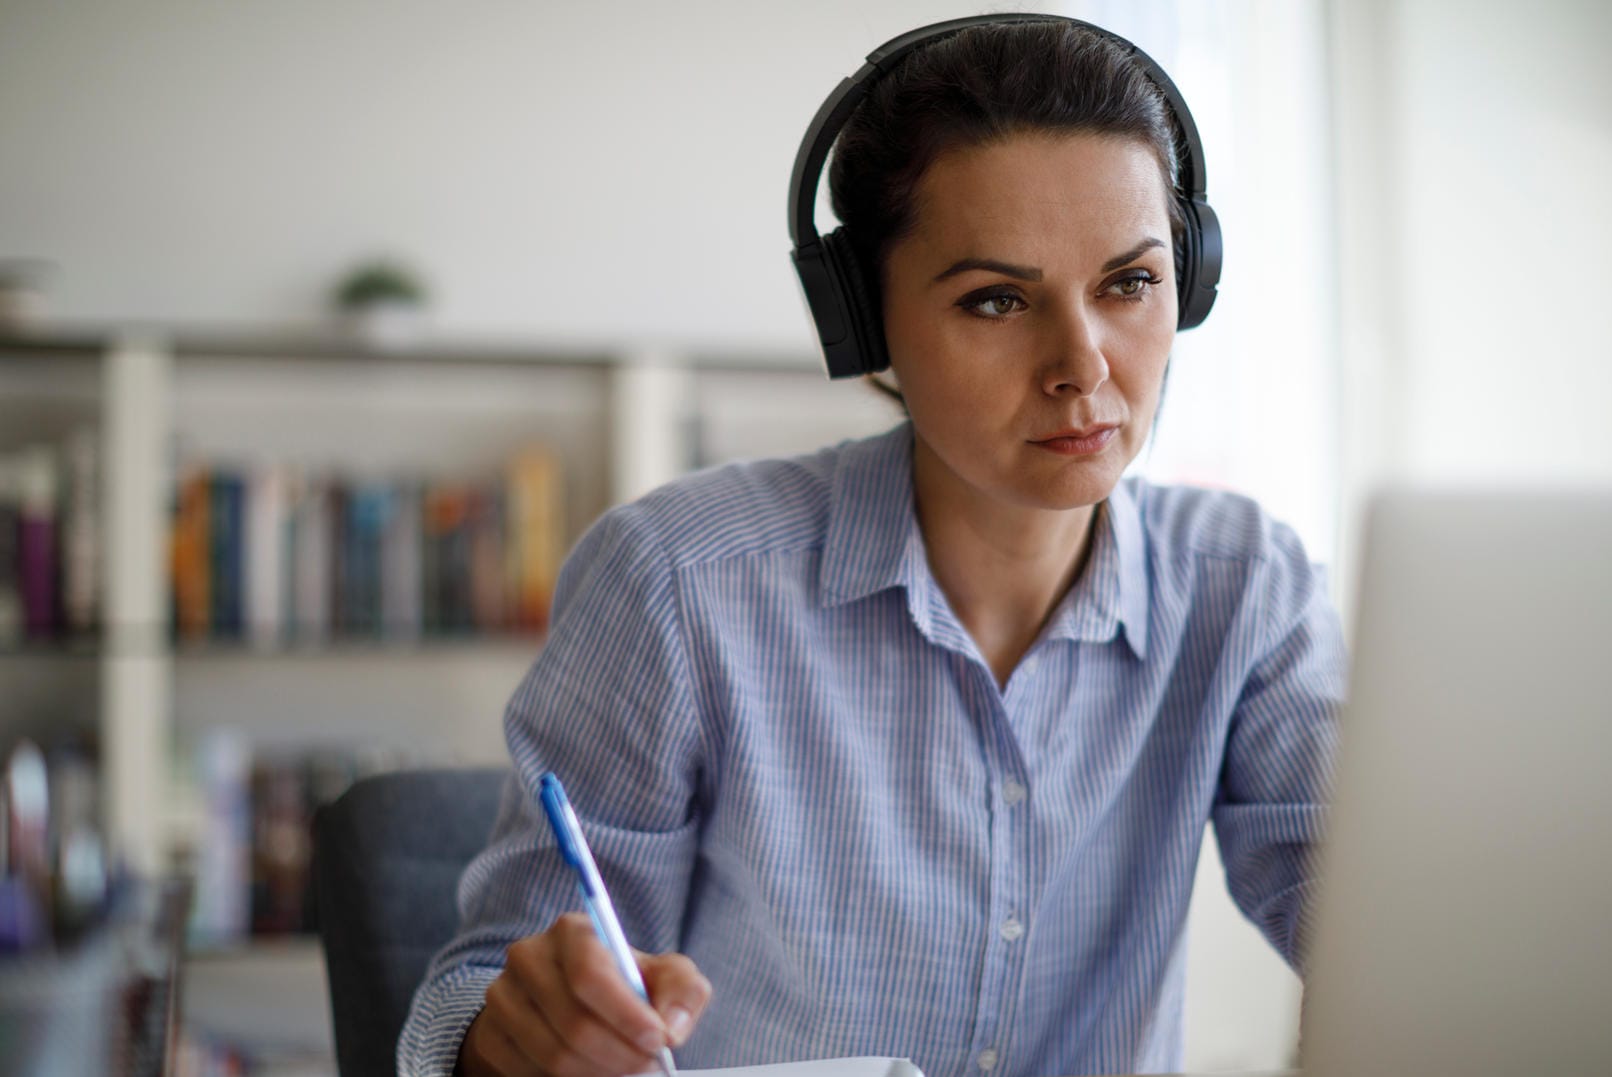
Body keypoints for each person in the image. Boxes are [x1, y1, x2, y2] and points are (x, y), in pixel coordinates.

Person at [400, 16, 1343, 1077]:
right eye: (996, 300)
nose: (1083, 367)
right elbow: (493, 986)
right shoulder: (678, 583)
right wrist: (518, 1037)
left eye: (1129, 284)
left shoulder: (1247, 589)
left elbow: (1372, 929)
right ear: (862, 322)